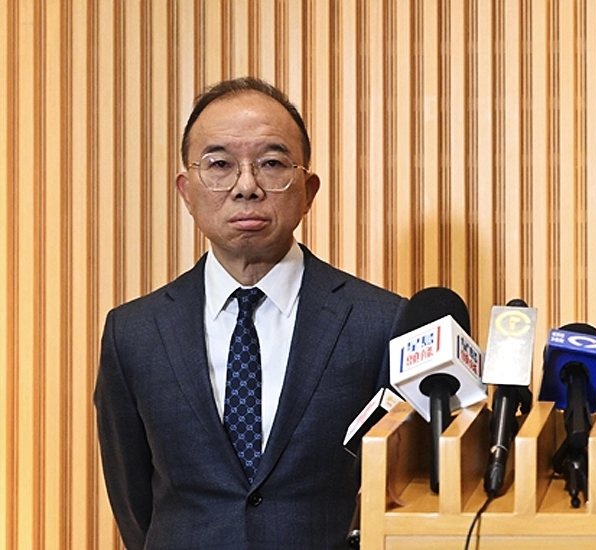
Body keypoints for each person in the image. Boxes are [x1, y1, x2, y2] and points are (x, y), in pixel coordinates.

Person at [94, 77, 403, 549]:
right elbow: (133, 501)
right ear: (186, 191)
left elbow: (397, 491)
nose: (246, 186)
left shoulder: (381, 323)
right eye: (219, 164)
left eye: (272, 164)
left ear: (308, 190)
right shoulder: (133, 333)